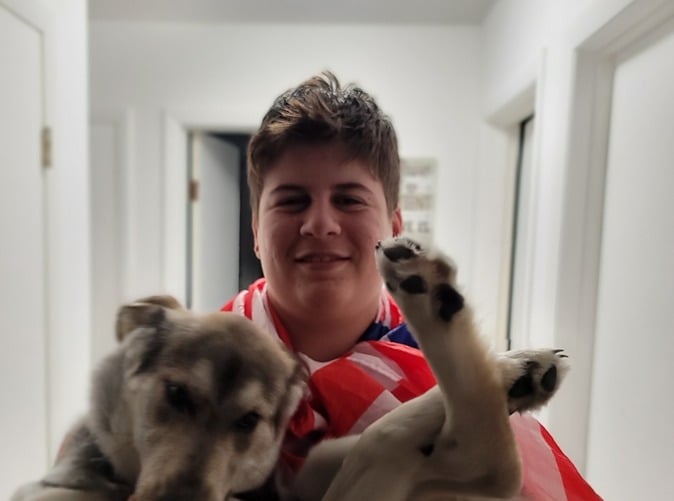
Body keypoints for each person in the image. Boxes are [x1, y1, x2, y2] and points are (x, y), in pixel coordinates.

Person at [222, 71, 600, 500]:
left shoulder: (420, 367)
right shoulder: (195, 364)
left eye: (348, 199)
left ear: (395, 226)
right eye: (292, 201)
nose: (320, 224)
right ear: (256, 229)